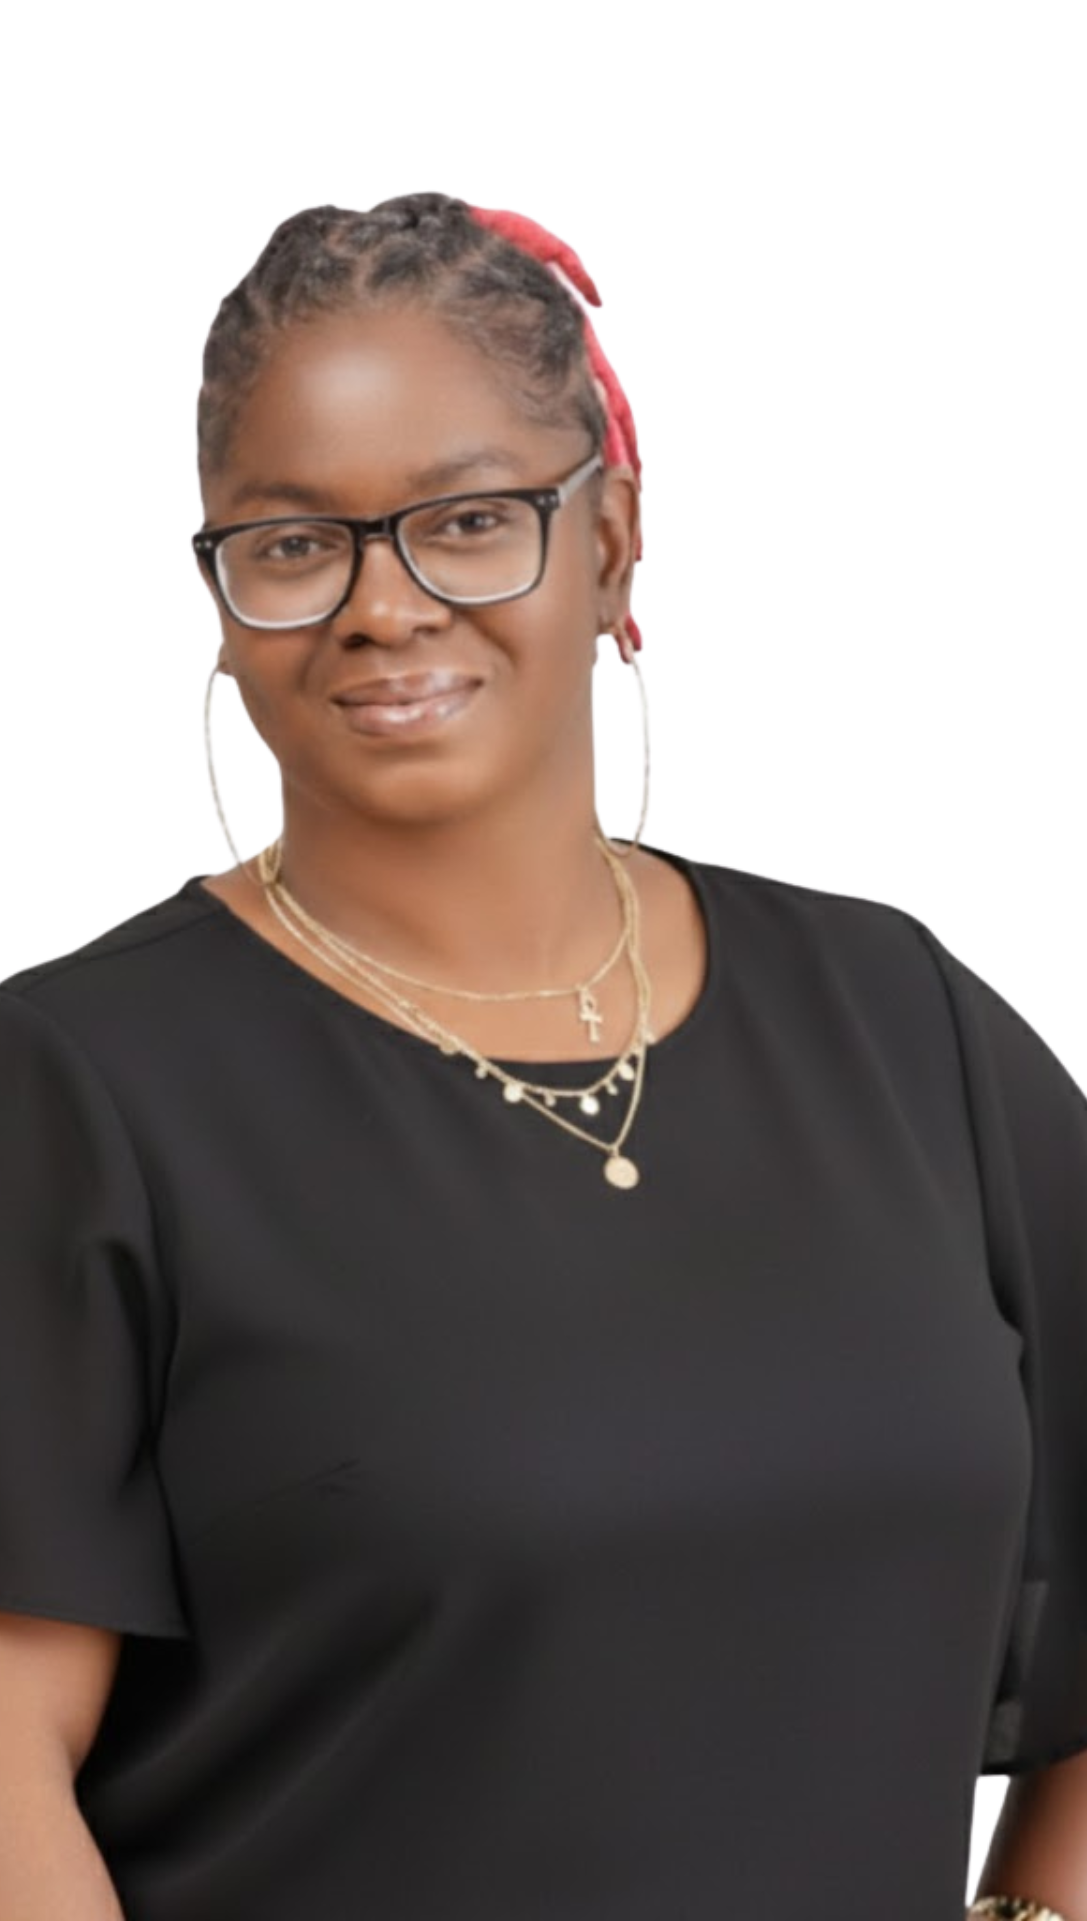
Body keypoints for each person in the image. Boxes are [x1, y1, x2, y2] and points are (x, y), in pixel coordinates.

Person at [0, 193, 1083, 1920]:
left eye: (471, 518)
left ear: (613, 538)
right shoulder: (71, 1089)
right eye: (293, 543)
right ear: (214, 592)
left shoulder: (907, 1020)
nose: (382, 604)